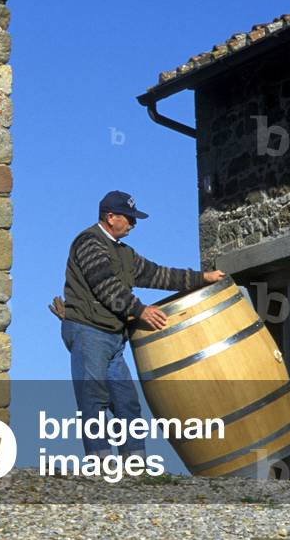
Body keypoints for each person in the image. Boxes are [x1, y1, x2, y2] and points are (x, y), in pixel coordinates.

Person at [49, 190, 225, 459]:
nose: (133, 223)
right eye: (129, 217)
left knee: (126, 401)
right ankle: (100, 462)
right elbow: (105, 285)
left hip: (113, 337)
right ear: (110, 217)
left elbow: (160, 275)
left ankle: (136, 465)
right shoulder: (89, 243)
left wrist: (203, 278)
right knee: (93, 399)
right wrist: (139, 310)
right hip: (88, 331)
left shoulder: (125, 254)